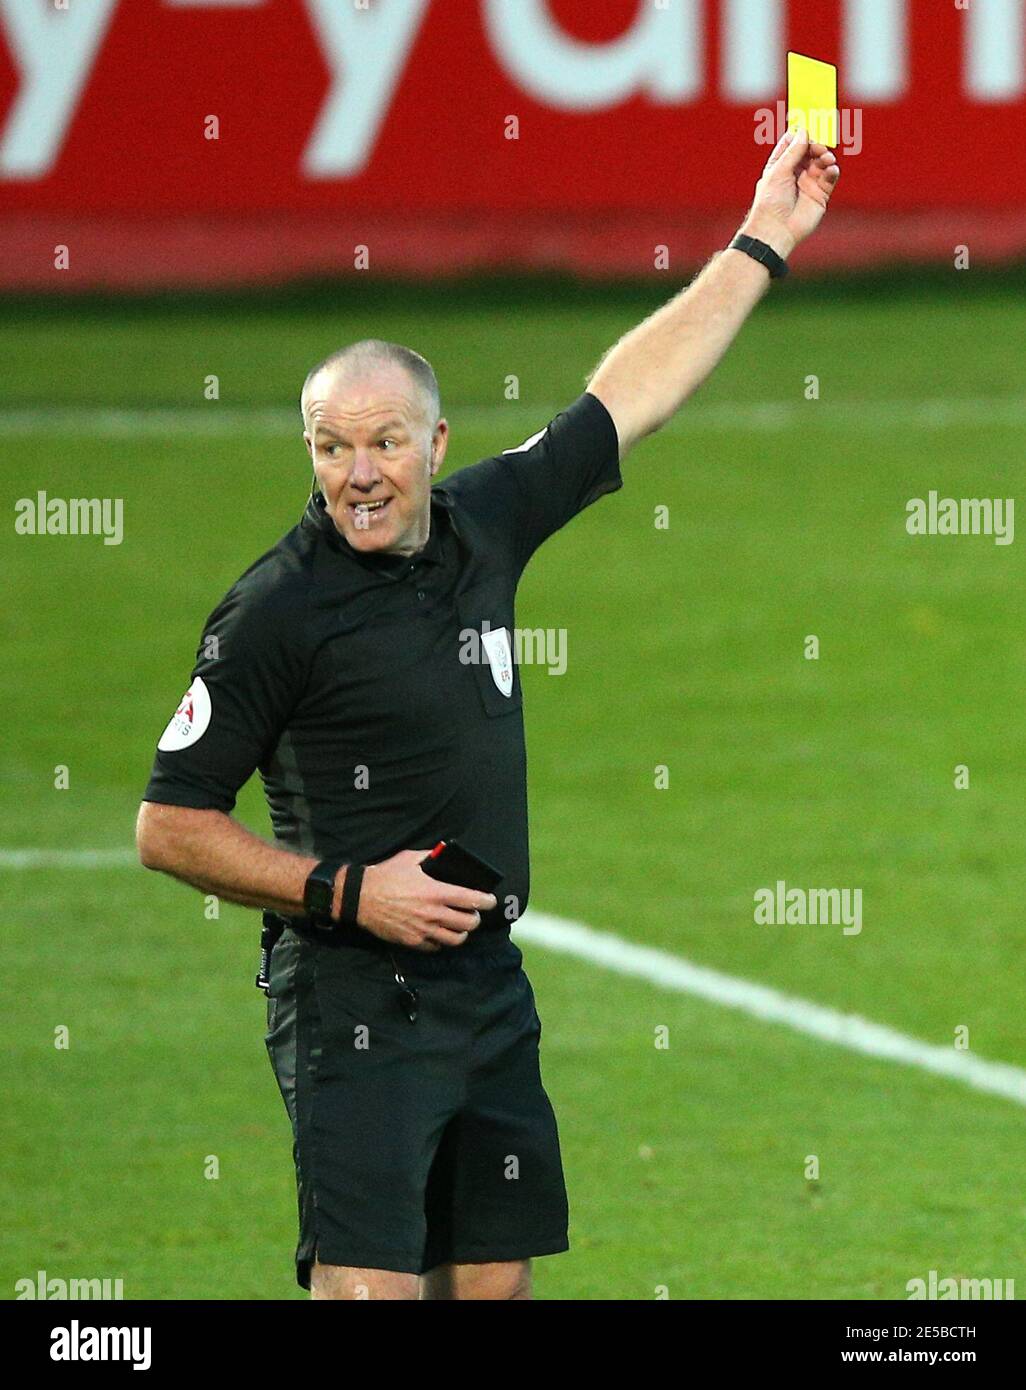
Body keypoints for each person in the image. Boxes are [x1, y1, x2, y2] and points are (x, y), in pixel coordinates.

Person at [137, 129, 840, 1300]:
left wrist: (764, 234)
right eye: (330, 446)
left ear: (435, 443)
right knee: (372, 1292)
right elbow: (167, 824)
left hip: (486, 982)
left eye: (384, 442)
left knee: (496, 1285)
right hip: (351, 997)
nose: (358, 473)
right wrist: (352, 891)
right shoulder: (275, 613)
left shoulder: (485, 524)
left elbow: (628, 396)